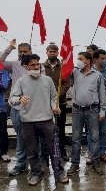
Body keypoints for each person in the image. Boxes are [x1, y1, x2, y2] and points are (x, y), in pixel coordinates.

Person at [9, 54, 69, 186]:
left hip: (47, 121)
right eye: (32, 65)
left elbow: (54, 97)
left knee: (54, 149)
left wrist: (55, 108)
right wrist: (19, 99)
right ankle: (36, 173)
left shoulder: (47, 80)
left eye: (38, 64)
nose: (36, 67)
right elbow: (11, 99)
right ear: (26, 66)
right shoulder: (21, 81)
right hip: (28, 122)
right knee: (32, 151)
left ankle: (58, 173)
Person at [67, 52, 106, 176]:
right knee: (76, 138)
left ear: (88, 61)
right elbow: (64, 76)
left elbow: (102, 94)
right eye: (78, 58)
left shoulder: (97, 75)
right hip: (77, 110)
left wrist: (102, 110)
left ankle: (96, 163)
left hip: (92, 110)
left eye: (81, 59)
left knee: (95, 138)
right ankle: (74, 164)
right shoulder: (74, 73)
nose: (78, 61)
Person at [0, 39, 32, 176]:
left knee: (32, 137)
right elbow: (0, 60)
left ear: (31, 52)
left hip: (32, 107)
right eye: (20, 51)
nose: (22, 54)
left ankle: (34, 164)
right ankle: (20, 164)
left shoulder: (36, 66)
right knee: (20, 136)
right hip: (16, 107)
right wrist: (10, 48)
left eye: (25, 51)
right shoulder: (13, 65)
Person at [43, 43, 71, 161]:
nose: (52, 53)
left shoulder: (63, 66)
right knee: (46, 128)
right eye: (50, 51)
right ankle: (47, 152)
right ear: (47, 52)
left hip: (61, 103)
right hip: (45, 103)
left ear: (58, 53)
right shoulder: (41, 67)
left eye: (54, 51)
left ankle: (62, 150)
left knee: (60, 128)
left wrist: (57, 96)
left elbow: (67, 83)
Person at [84, 49, 106, 164]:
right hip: (92, 106)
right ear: (95, 59)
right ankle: (92, 153)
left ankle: (102, 152)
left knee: (103, 131)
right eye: (102, 58)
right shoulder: (89, 72)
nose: (104, 60)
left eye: (105, 58)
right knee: (92, 131)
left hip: (105, 105)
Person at [0, 68, 10, 162]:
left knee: (2, 131)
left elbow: (5, 85)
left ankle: (4, 152)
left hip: (1, 108)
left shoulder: (4, 72)